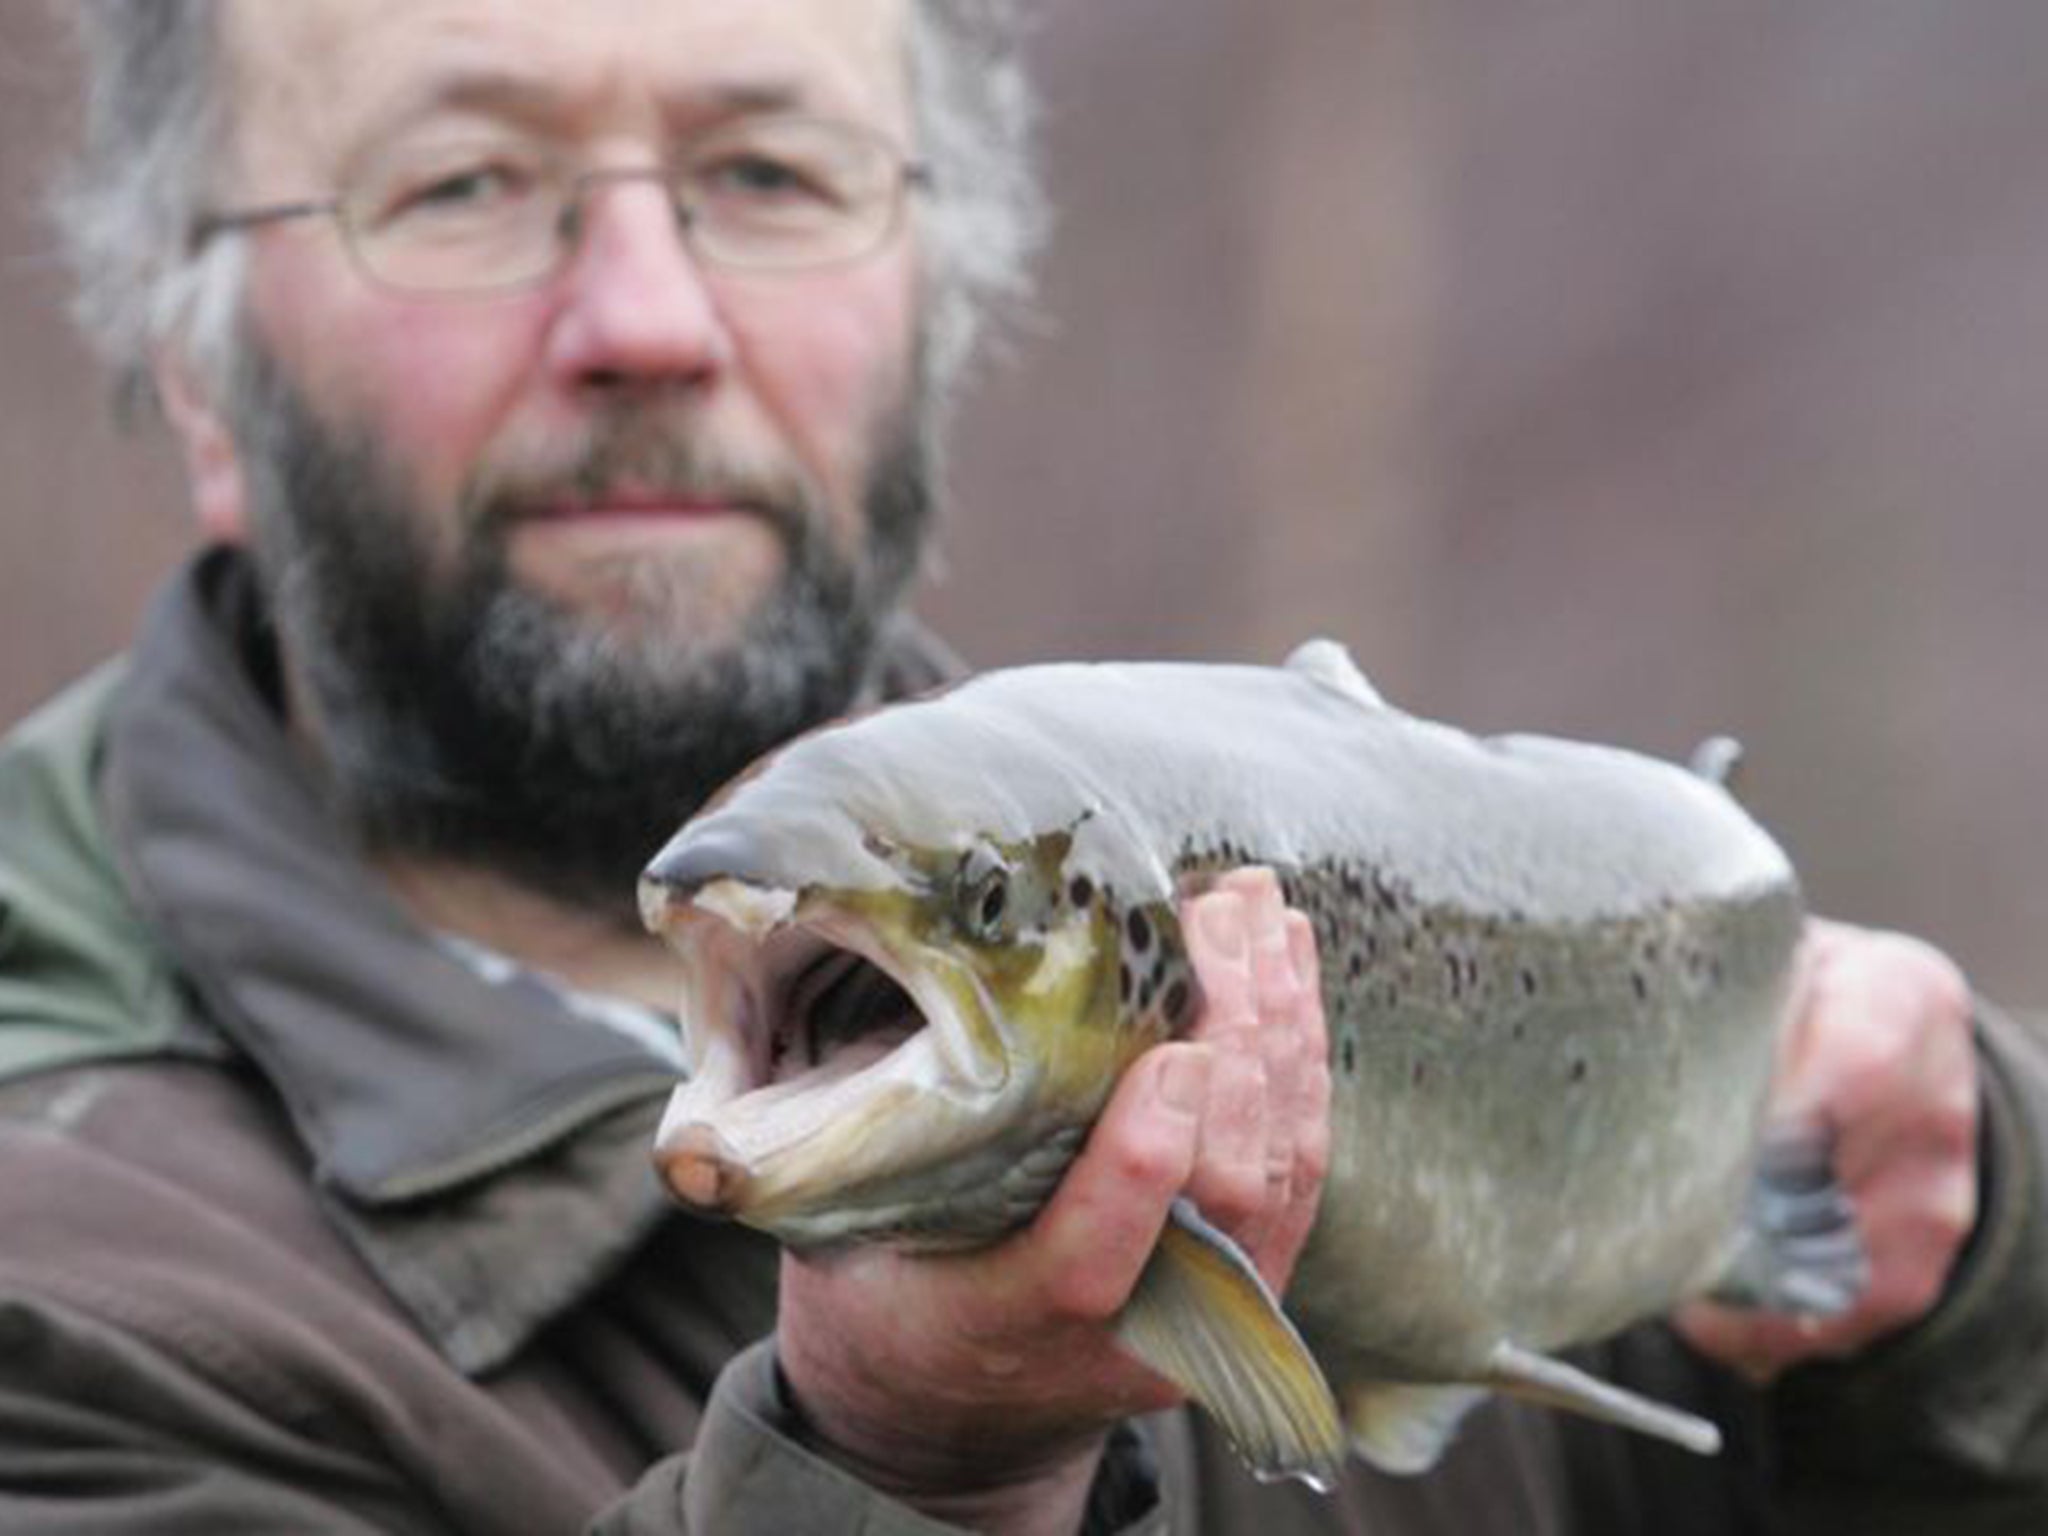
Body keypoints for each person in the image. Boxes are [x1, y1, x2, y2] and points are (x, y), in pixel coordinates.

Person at [0, 1, 2040, 1531]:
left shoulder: (1277, 913)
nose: (647, 317)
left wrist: (1963, 1229)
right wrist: (902, 1463)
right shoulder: (59, 1269)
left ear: (937, 294)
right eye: (459, 186)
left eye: (768, 177)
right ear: (196, 367)